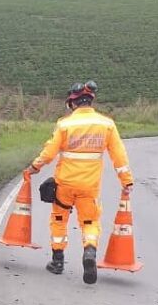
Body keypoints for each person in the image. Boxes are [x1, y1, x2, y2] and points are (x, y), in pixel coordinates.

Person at [25, 81, 134, 284]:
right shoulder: (107, 124)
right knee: (90, 222)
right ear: (91, 101)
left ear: (72, 103)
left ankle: (57, 262)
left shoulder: (64, 124)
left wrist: (34, 168)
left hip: (64, 184)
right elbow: (119, 155)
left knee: (58, 220)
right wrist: (126, 181)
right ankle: (89, 252)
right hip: (89, 187)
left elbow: (49, 152)